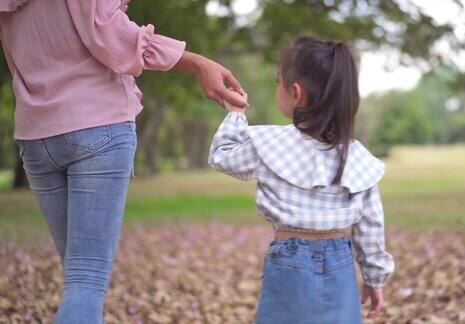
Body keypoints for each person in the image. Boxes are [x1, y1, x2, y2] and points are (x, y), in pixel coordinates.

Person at [0, 0, 246, 322]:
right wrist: (197, 63)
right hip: (97, 126)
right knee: (85, 281)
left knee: (78, 277)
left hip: (35, 136)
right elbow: (111, 36)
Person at [208, 36, 395, 323]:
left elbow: (222, 156)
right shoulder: (357, 159)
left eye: (277, 81)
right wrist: (374, 278)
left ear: (295, 93)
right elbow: (371, 225)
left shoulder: (270, 146)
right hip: (341, 263)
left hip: (289, 260)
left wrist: (235, 115)